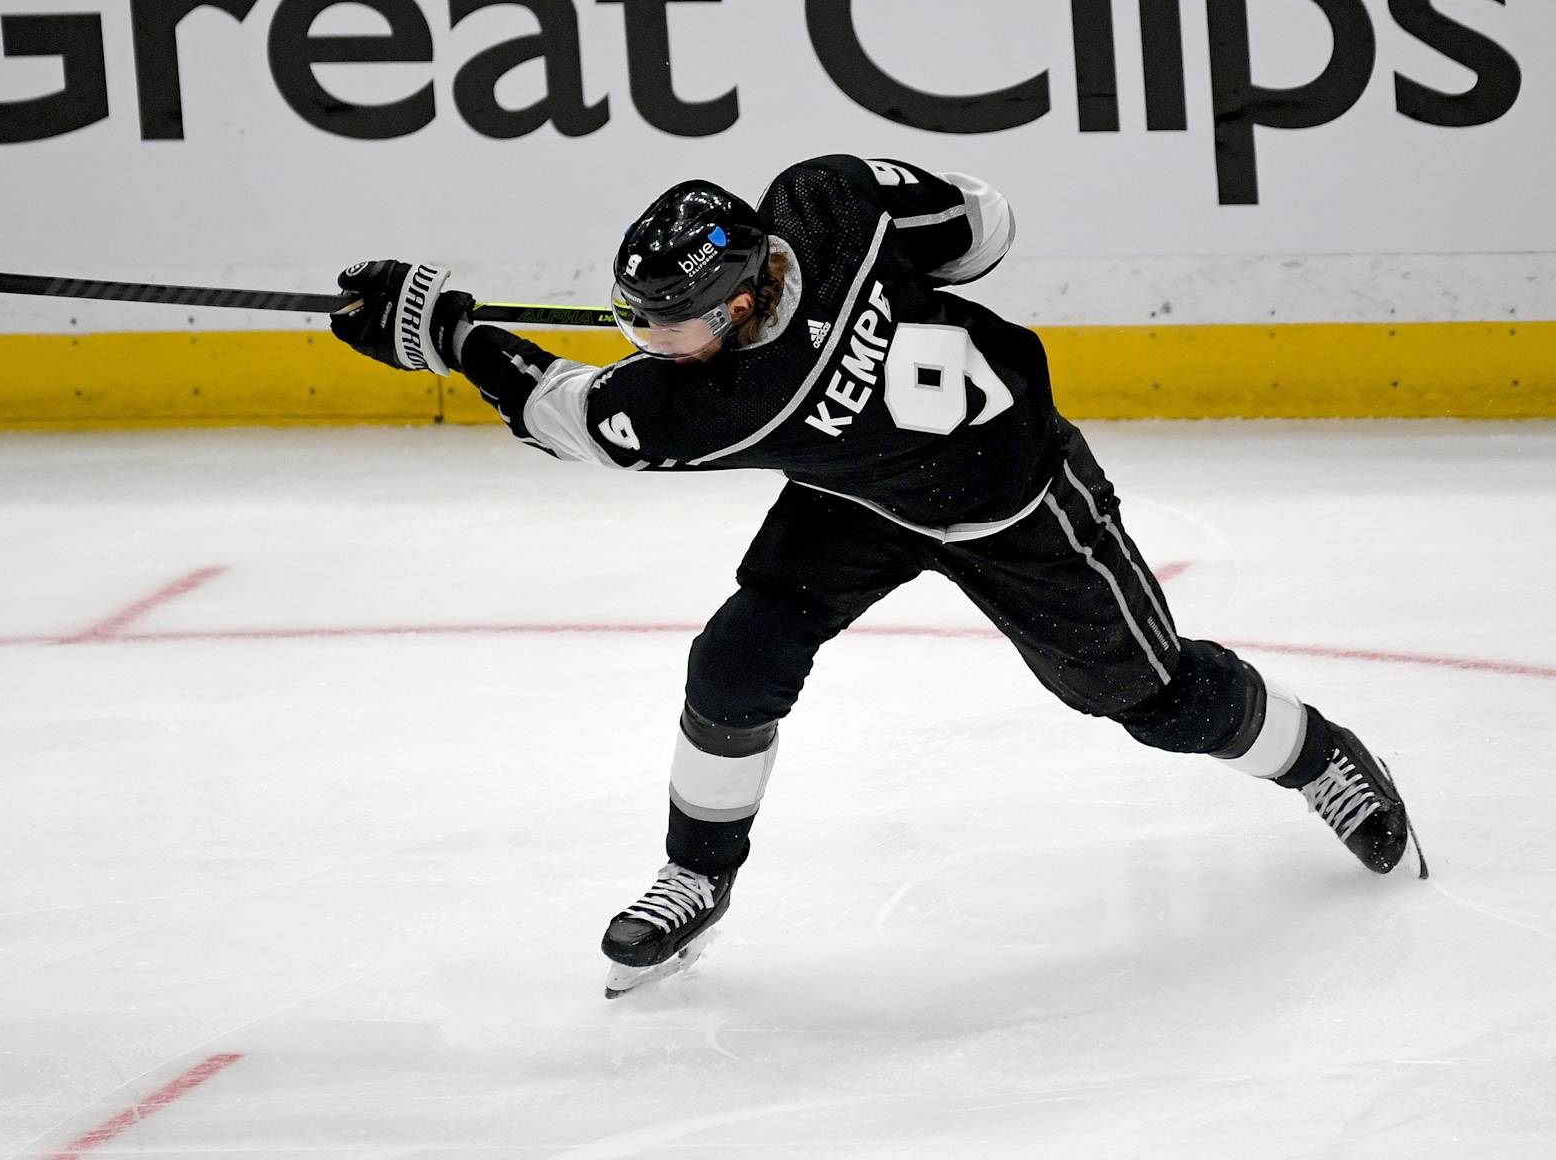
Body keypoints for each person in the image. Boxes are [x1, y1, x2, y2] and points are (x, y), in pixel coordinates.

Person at [327, 155, 1428, 998]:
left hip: (1017, 497)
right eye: (644, 326)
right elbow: (983, 226)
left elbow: (570, 415)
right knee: (738, 655)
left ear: (747, 295)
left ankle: (1319, 756)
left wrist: (447, 335)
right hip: (859, 494)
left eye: (674, 326)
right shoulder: (827, 201)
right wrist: (890, 284)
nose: (655, 345)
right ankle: (697, 875)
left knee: (1153, 699)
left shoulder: (724, 403)